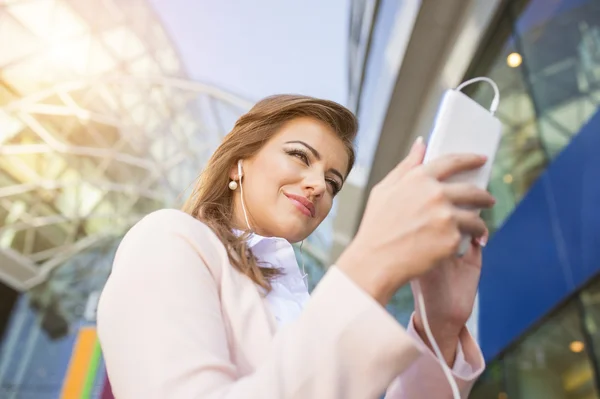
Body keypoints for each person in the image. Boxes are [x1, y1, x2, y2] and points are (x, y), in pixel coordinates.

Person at [97, 94, 494, 398]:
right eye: (300, 157)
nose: (319, 185)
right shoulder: (168, 239)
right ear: (240, 160)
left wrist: (438, 329)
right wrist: (370, 265)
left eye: (333, 182)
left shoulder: (305, 306)